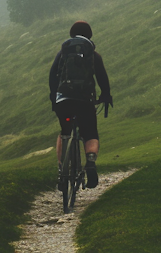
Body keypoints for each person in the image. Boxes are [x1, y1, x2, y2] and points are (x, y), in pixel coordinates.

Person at [48, 19, 113, 190]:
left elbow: (52, 75)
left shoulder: (62, 54)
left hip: (63, 100)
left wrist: (54, 97)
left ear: (71, 35)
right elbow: (102, 78)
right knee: (90, 132)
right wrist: (105, 96)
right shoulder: (94, 55)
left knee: (64, 132)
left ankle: (62, 171)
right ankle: (90, 162)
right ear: (90, 36)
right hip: (84, 100)